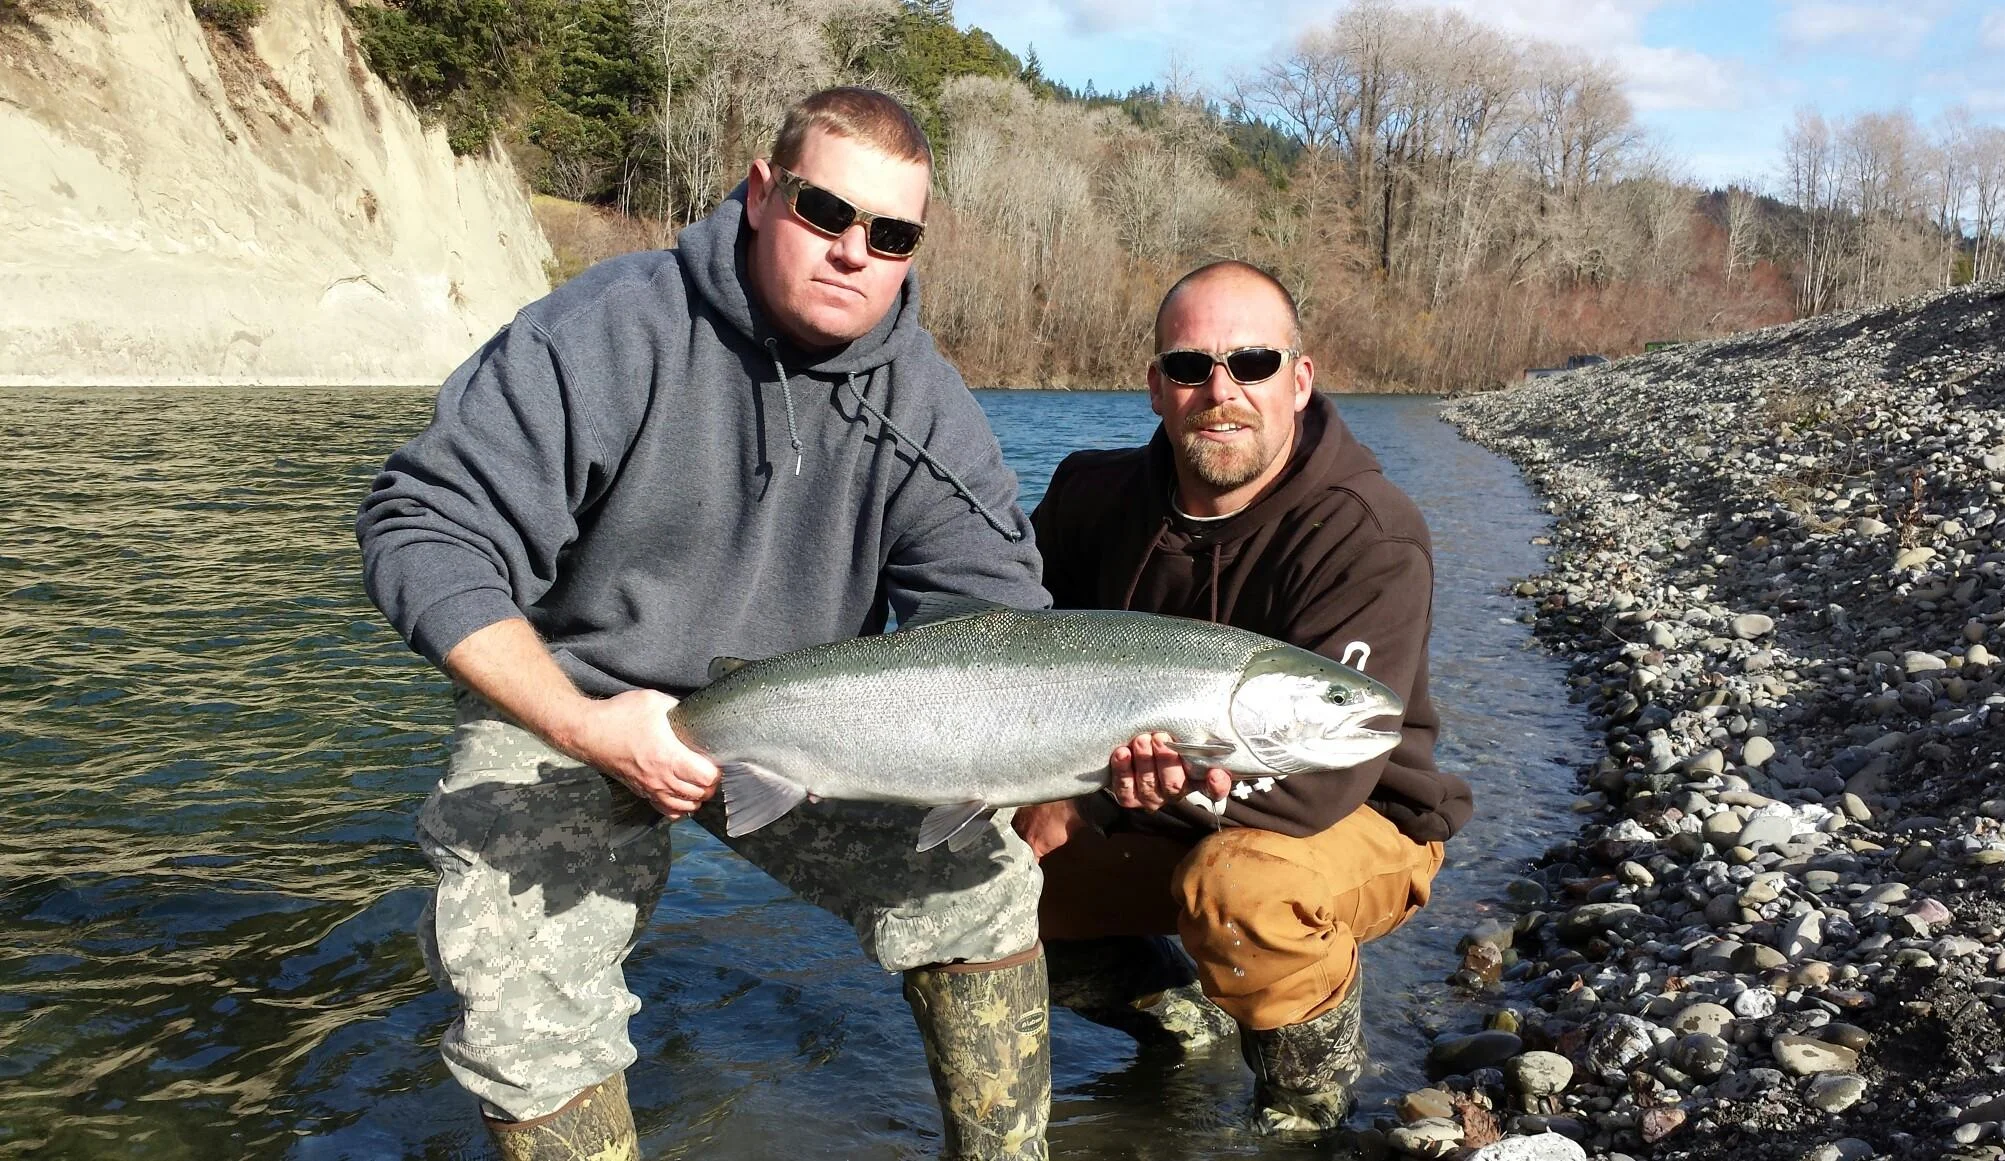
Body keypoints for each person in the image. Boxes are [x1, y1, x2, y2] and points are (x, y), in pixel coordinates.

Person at [356, 87, 1189, 1161]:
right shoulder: (610, 328)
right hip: (569, 708)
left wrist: (1089, 759)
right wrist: (581, 724)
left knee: (980, 890)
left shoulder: (925, 407)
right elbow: (423, 526)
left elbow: (994, 631)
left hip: (811, 718)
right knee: (529, 1024)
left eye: (890, 234)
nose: (853, 250)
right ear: (761, 193)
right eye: (824, 212)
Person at [1014, 260, 1474, 1134]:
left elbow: (1321, 783)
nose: (1220, 391)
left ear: (1299, 380)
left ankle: (1306, 1109)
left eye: (1253, 363)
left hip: (1361, 817)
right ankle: (1183, 1019)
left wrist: (1100, 801)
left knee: (1241, 887)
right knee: (971, 874)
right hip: (1161, 811)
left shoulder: (1366, 532)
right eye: (1190, 367)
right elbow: (1006, 646)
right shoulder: (1090, 495)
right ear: (1156, 386)